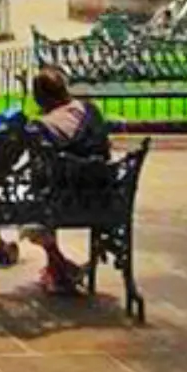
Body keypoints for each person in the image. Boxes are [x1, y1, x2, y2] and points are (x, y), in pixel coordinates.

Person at [24, 65, 111, 294]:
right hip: (105, 196)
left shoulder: (43, 127)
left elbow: (38, 174)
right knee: (43, 196)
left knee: (32, 207)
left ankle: (58, 266)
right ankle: (59, 269)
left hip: (66, 200)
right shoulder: (91, 111)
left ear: (40, 98)